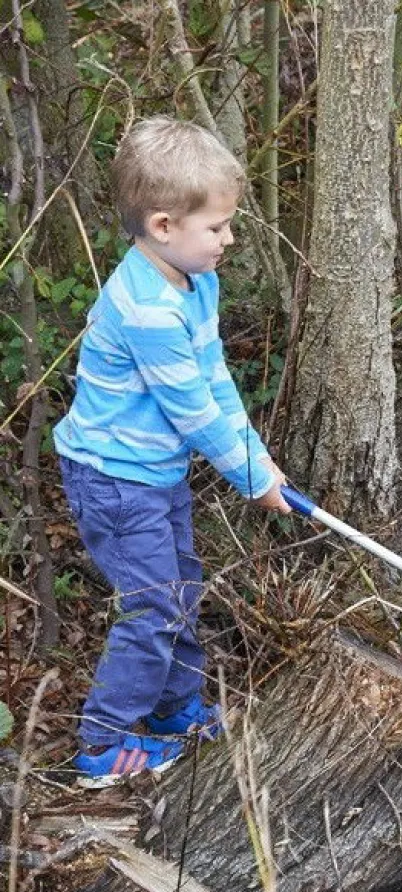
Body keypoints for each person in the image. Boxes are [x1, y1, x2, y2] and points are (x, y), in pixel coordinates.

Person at [54, 117, 291, 788]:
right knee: (154, 604)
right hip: (112, 480)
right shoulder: (147, 311)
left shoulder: (196, 281)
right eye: (217, 227)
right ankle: (103, 743)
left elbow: (214, 381)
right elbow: (191, 412)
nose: (229, 238)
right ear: (163, 226)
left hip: (154, 474)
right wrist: (252, 481)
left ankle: (174, 709)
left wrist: (257, 458)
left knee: (182, 588)